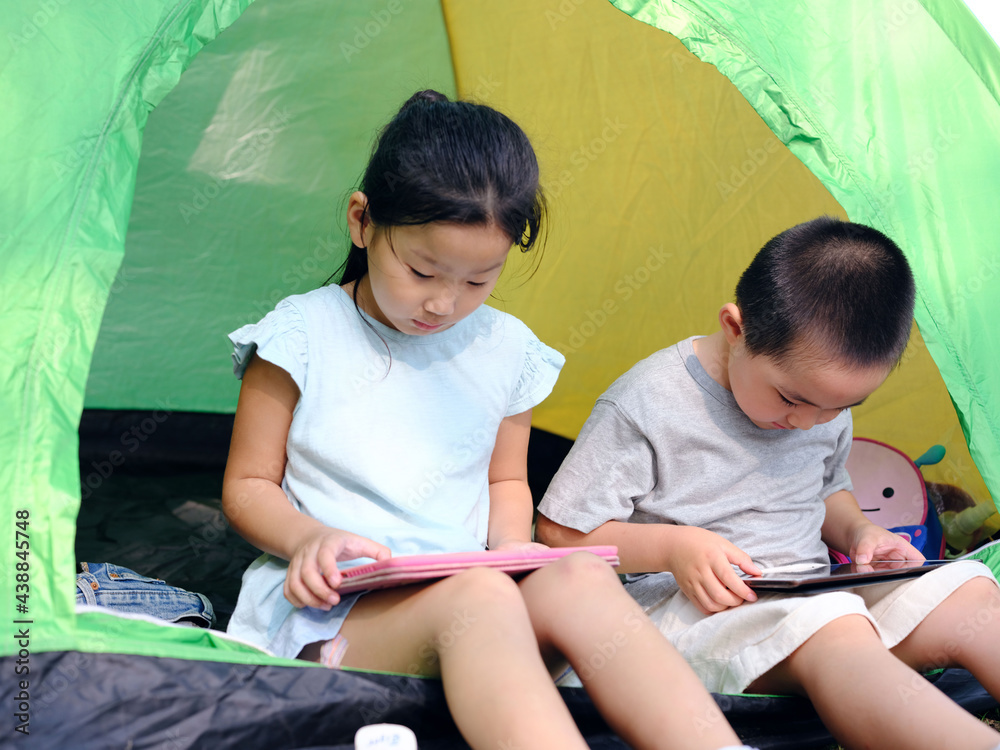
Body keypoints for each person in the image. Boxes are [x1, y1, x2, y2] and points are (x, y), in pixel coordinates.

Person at [222, 90, 753, 750]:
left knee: (576, 575)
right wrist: (307, 540)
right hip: (331, 620)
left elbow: (506, 485)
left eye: (480, 280)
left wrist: (509, 548)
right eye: (421, 270)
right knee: (480, 598)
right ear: (363, 222)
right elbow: (247, 486)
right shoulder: (302, 333)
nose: (444, 302)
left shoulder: (508, 352)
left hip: (473, 604)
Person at [536, 217, 1000, 750]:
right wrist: (673, 547)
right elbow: (558, 533)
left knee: (970, 591)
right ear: (736, 329)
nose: (808, 422)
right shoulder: (648, 403)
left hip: (811, 597)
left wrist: (859, 535)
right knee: (831, 627)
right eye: (790, 399)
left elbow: (824, 489)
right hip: (684, 623)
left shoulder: (818, 402)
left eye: (840, 407)